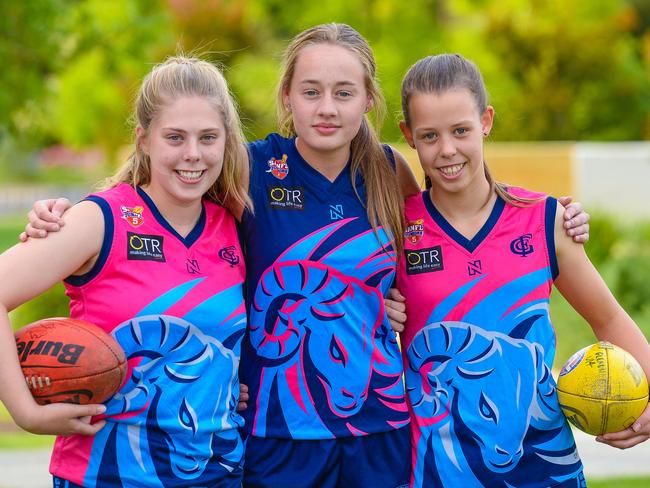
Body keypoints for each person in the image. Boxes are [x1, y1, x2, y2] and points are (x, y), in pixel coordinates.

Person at [19, 24, 591, 488]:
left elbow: (448, 221)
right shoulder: (246, 169)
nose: (327, 108)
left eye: (345, 93)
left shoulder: (391, 172)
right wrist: (63, 217)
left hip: (381, 429)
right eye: (311, 91)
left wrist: (546, 214)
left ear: (368, 99)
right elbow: (164, 197)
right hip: (274, 433)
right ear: (287, 95)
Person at [396, 53, 650, 488]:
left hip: (543, 466)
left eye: (461, 130)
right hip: (437, 468)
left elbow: (606, 316)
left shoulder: (545, 218)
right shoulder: (398, 227)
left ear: (486, 121)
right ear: (408, 136)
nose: (447, 150)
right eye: (429, 136)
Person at [0, 55, 252, 487]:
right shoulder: (102, 220)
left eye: (207, 137)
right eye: (175, 137)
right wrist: (27, 413)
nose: (192, 154)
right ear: (144, 140)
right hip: (108, 473)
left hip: (217, 473)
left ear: (226, 142)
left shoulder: (236, 225)